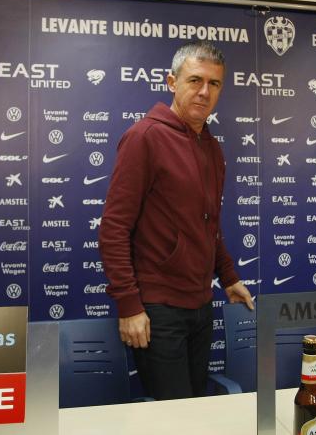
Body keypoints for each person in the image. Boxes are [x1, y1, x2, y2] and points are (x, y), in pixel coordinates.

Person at [98, 41, 254, 400]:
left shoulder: (212, 147)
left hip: (201, 306)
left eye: (214, 84)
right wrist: (129, 306)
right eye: (195, 80)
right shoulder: (144, 137)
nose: (204, 91)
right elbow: (113, 229)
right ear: (172, 82)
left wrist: (228, 278)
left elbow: (207, 225)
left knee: (193, 411)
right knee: (174, 416)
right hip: (158, 311)